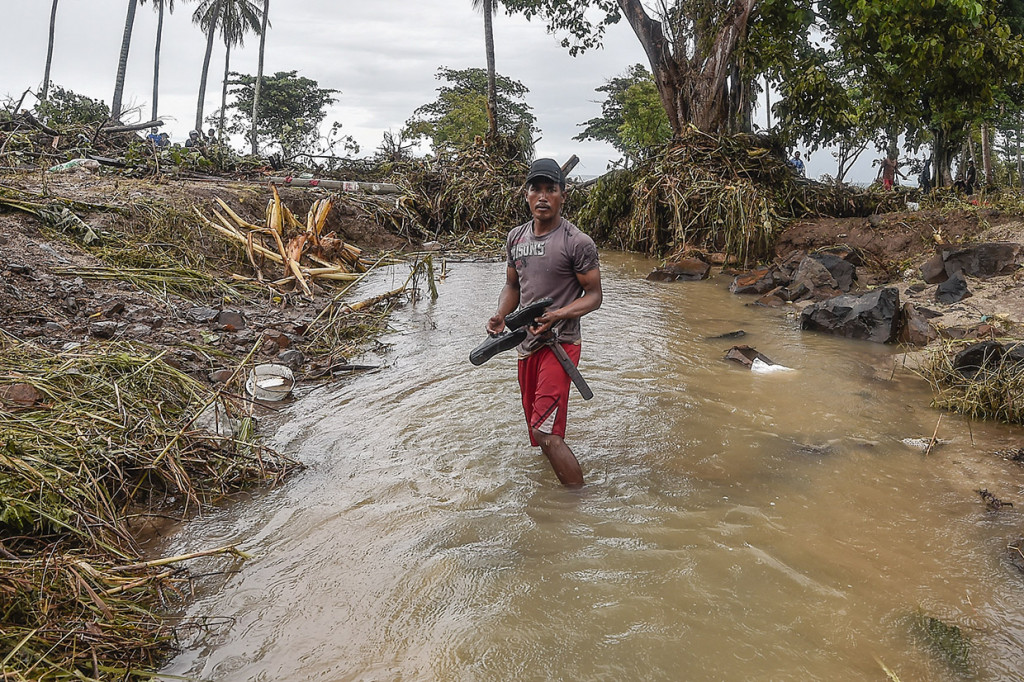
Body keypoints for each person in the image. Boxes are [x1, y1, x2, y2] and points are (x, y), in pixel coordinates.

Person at [486, 158, 603, 488]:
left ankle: (578, 506)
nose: (542, 196)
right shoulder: (515, 238)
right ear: (526, 195)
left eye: (550, 189)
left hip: (560, 344)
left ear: (562, 195)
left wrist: (557, 315)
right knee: (537, 431)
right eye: (535, 188)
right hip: (526, 345)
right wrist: (501, 315)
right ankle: (549, 488)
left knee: (545, 432)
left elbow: (594, 296)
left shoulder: (576, 242)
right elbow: (512, 285)